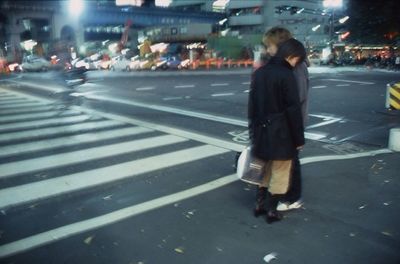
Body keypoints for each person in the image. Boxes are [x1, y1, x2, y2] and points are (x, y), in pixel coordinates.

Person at [248, 38, 306, 223]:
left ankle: (259, 205)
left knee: (265, 169)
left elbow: (252, 105)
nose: (297, 63)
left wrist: (253, 131)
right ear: (292, 56)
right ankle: (272, 210)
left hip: (261, 129)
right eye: (298, 59)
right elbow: (293, 110)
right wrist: (299, 139)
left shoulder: (260, 72)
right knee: (281, 171)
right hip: (282, 133)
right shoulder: (286, 74)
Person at [262, 27, 310, 212]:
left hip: (290, 122)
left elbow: (295, 100)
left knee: (291, 161)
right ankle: (284, 193)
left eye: (270, 46)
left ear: (281, 46)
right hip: (282, 121)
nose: (268, 50)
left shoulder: (296, 67)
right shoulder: (284, 66)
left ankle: (293, 197)